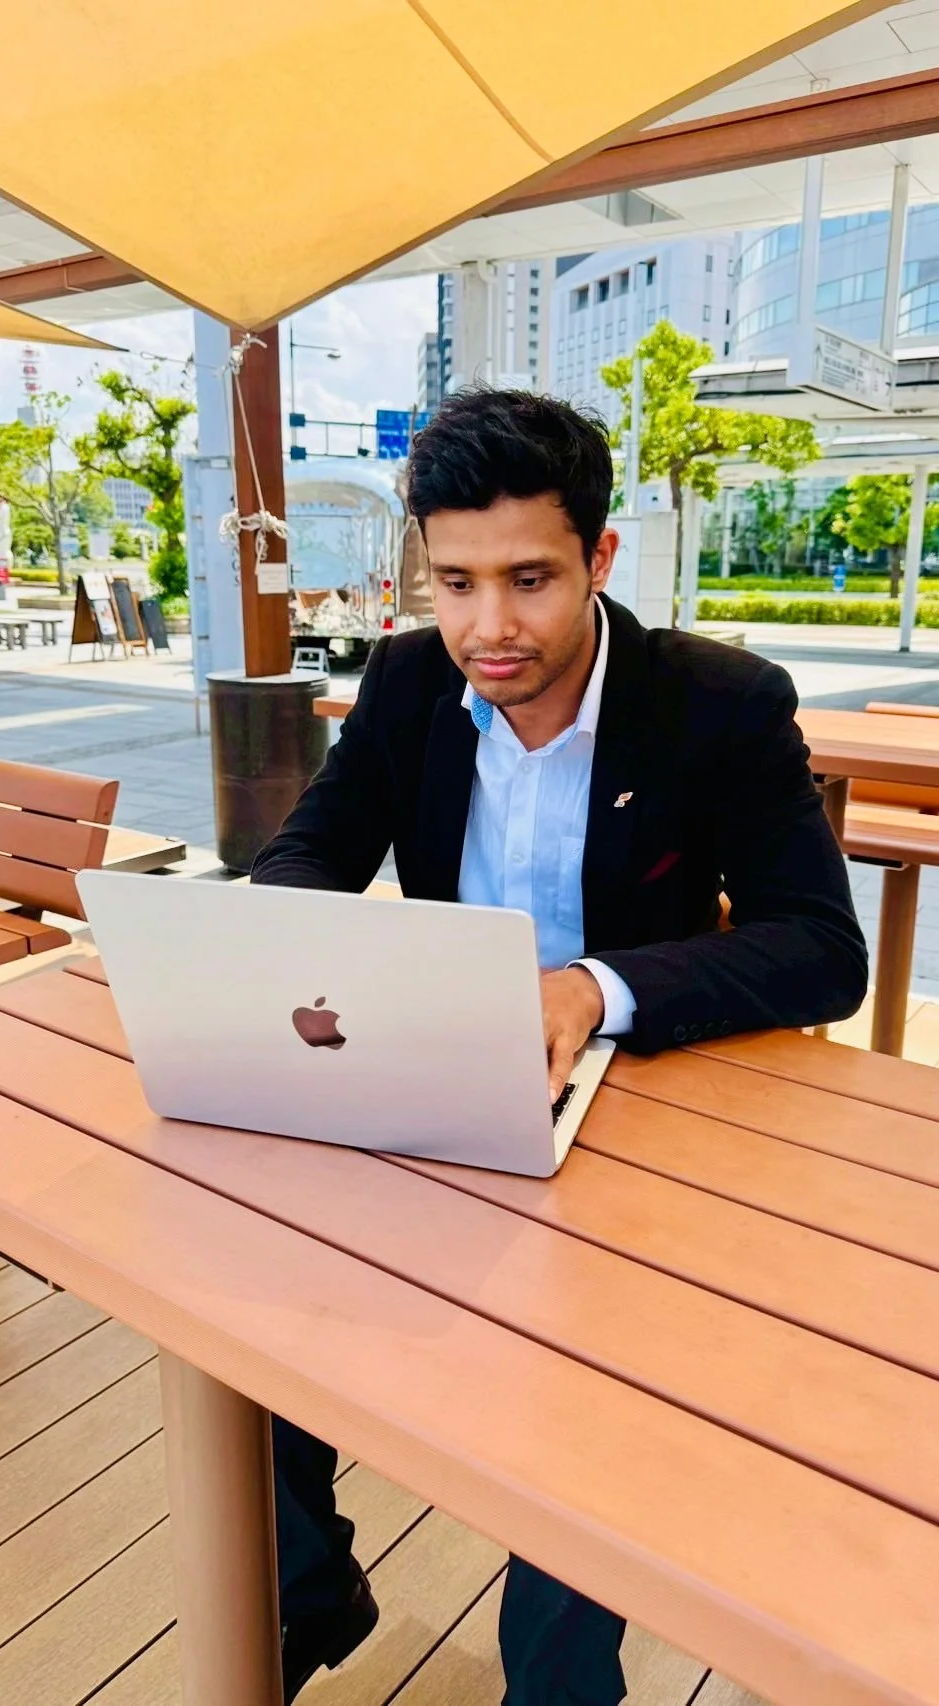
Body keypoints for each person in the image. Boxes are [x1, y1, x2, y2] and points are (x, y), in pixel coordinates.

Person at [252, 389, 867, 1704]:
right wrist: (270, 931)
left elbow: (822, 943)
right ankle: (309, 1595)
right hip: (434, 1086)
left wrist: (593, 986)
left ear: (599, 557)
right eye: (456, 581)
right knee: (252, 1289)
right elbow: (318, 840)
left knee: (573, 1419)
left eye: (529, 578)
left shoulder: (721, 702)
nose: (489, 626)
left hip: (643, 1121)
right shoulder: (414, 677)